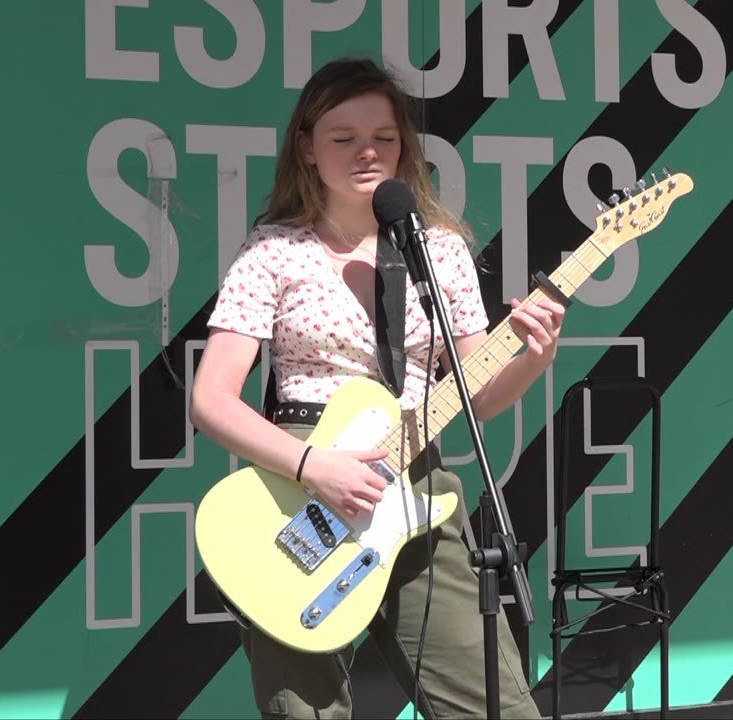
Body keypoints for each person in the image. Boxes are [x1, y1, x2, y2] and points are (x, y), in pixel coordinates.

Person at [189, 56, 564, 720]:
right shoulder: (273, 252)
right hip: (300, 491)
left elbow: (475, 396)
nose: (368, 152)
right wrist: (314, 465)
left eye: (384, 137)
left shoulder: (438, 249)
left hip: (418, 485)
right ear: (306, 147)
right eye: (344, 137)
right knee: (304, 711)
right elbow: (212, 399)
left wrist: (534, 355)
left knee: (495, 708)